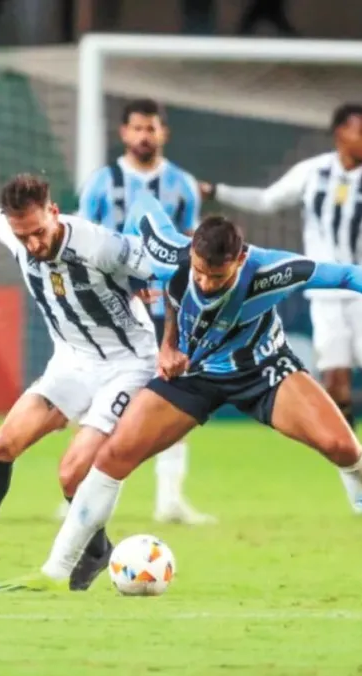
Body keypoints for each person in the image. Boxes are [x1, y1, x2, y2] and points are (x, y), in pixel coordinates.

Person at [0, 209, 362, 596]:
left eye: (219, 276)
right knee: (111, 458)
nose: (206, 283)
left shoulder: (271, 271)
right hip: (196, 376)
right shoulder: (173, 256)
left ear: (241, 258)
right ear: (192, 253)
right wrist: (165, 342)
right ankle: (53, 571)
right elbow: (147, 215)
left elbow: (347, 274)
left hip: (263, 372)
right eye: (202, 273)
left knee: (343, 448)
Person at [0, 126, 176, 592]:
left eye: (39, 233)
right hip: (71, 361)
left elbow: (173, 274)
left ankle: (92, 549)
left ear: (53, 211)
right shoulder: (16, 230)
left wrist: (167, 333)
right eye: (23, 236)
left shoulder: (100, 244)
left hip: (129, 364)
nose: (32, 245)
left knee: (72, 472)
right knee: (3, 445)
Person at [199, 103, 362, 511]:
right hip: (327, 294)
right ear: (340, 134)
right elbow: (269, 199)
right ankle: (359, 475)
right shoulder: (315, 172)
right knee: (337, 384)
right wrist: (218, 191)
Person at [80, 97, 213, 525]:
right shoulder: (102, 183)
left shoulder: (182, 185)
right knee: (103, 396)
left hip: (166, 308)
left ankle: (170, 500)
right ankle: (80, 491)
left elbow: (192, 244)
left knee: (176, 396)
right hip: (113, 306)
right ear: (123, 133)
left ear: (163, 133)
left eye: (151, 128)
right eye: (136, 128)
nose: (143, 136)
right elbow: (83, 241)